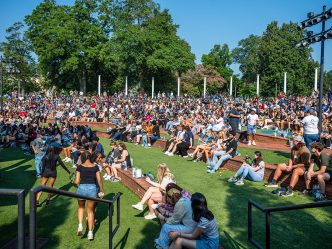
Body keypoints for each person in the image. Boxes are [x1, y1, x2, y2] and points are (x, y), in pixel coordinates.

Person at [72, 151, 104, 240]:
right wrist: (101, 190)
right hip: (92, 189)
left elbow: (77, 181)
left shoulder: (79, 167)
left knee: (81, 208)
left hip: (81, 188)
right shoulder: (95, 166)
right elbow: (99, 180)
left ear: (82, 157)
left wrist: (73, 181)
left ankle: (80, 226)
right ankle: (90, 233)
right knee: (90, 211)